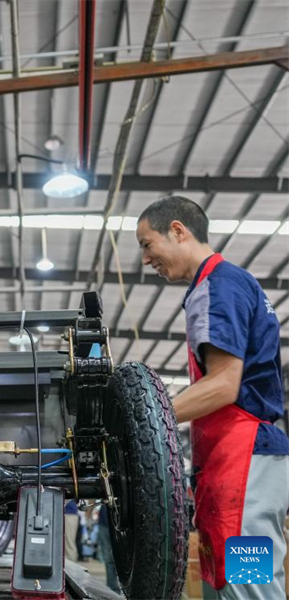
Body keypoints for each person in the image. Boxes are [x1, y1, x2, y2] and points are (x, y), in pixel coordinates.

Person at [136, 195, 289, 600]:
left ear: (178, 231)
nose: (146, 258)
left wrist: (149, 418)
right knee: (227, 582)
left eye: (147, 244)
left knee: (248, 583)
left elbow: (224, 385)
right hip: (235, 464)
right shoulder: (224, 284)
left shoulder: (217, 286)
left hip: (245, 465)